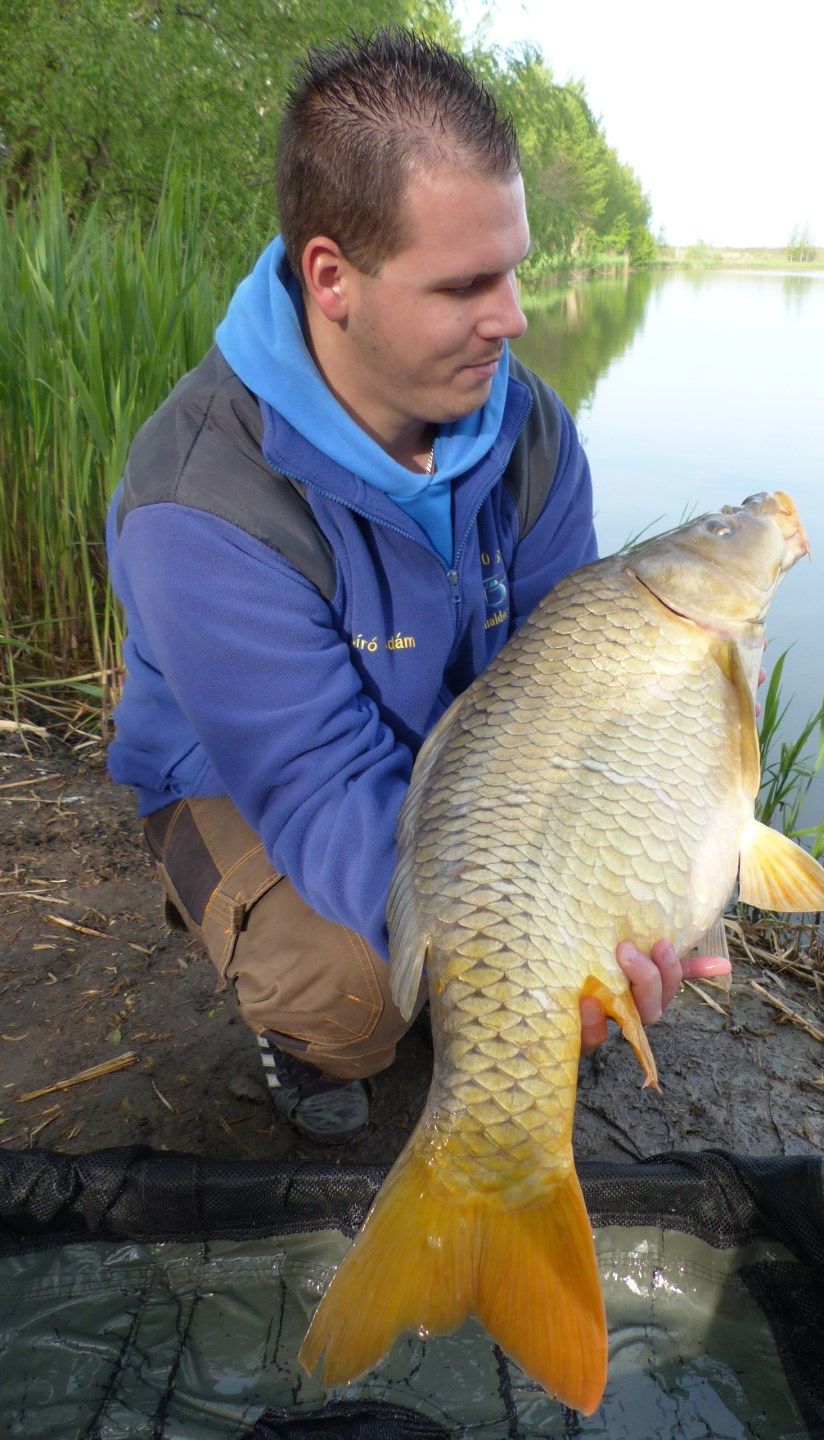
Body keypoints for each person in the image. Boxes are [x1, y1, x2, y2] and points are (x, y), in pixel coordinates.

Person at [105, 29, 732, 1145]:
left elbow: (566, 691)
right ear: (333, 278)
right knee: (355, 992)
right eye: (465, 286)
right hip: (244, 781)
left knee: (617, 920)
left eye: (515, 268)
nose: (516, 317)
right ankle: (299, 1043)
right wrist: (512, 955)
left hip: (472, 763)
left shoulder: (530, 426)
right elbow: (322, 788)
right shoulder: (199, 502)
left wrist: (605, 912)